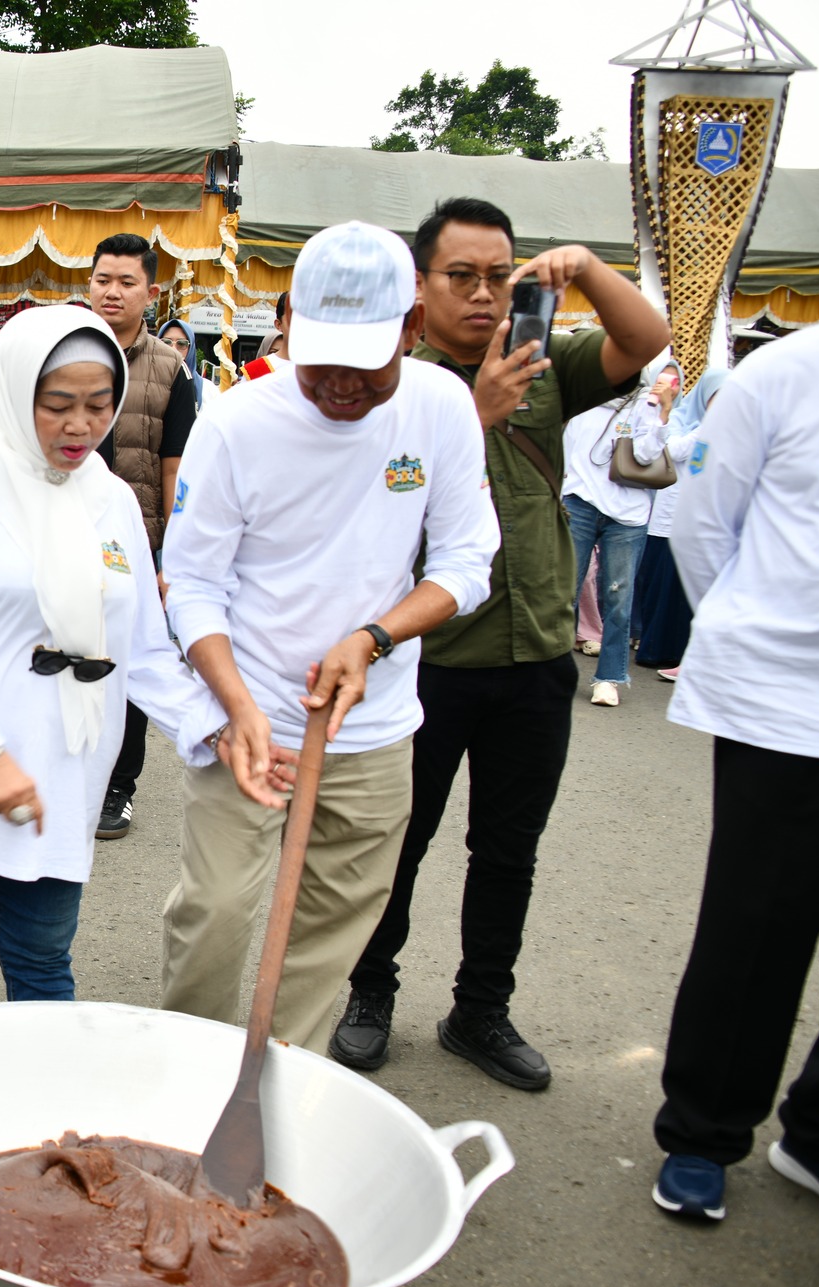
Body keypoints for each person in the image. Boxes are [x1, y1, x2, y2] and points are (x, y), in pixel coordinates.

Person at [331, 197, 670, 1087]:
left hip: (537, 654)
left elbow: (646, 338)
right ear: (421, 286)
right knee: (398, 845)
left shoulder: (542, 360)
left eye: (500, 276)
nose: (483, 295)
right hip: (429, 662)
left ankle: (480, 1008)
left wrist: (584, 267)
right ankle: (370, 993)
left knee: (508, 850)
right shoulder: (390, 384)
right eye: (462, 276)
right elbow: (367, 506)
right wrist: (474, 413)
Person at [158, 221, 500, 1054]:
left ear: (412, 327)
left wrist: (375, 637)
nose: (342, 383)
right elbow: (191, 582)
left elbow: (467, 560)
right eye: (322, 359)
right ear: (287, 321)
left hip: (374, 727)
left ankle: (277, 1092)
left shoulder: (441, 407)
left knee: (327, 936)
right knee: (215, 913)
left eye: (366, 361)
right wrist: (237, 707)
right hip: (252, 717)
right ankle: (187, 1077)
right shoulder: (236, 422)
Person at [0, 305, 218, 1012]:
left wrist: (213, 729)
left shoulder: (112, 500)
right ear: (14, 389)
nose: (80, 426)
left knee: (42, 953)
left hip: (62, 766)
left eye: (99, 405)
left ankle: (39, 1085)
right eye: (58, 405)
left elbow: (141, 648)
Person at [643, 322, 819, 1224]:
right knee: (756, 927)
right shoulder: (784, 375)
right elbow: (703, 524)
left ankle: (818, 1129)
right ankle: (703, 1132)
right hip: (787, 701)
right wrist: (755, 634)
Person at [83, 232, 195, 841]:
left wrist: (171, 555)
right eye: (103, 279)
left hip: (135, 539)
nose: (113, 292)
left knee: (130, 663)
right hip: (60, 533)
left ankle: (118, 786)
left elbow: (175, 469)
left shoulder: (171, 370)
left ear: (150, 294)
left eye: (127, 282)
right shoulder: (63, 347)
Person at [560, 367, 672, 706]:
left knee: (618, 599)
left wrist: (662, 413)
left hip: (627, 514)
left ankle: (608, 678)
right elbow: (564, 450)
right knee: (564, 593)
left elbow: (645, 455)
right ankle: (556, 672)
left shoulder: (644, 402)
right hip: (579, 502)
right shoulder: (582, 397)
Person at [635, 371, 723, 678]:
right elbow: (671, 451)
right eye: (716, 397)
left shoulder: (722, 432)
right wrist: (703, 430)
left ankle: (674, 652)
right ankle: (653, 647)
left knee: (680, 591)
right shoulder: (683, 420)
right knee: (657, 585)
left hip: (696, 521)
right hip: (665, 516)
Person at [160, 317, 217, 416]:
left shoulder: (207, 390)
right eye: (166, 342)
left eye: (181, 344)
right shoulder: (144, 384)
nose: (173, 349)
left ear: (190, 349)